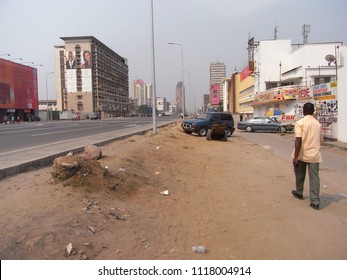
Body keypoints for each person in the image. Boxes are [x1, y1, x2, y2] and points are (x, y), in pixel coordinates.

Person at [291, 102, 323, 210]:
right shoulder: (318, 124)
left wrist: (295, 157)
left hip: (302, 154)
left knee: (299, 174)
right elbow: (320, 140)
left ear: (303, 111)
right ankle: (315, 201)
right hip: (314, 155)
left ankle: (299, 192)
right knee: (314, 178)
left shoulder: (300, 123)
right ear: (313, 111)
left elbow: (298, 140)